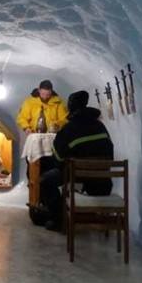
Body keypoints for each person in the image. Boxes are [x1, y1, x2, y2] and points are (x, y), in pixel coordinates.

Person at [38, 90, 114, 231]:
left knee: (46, 180)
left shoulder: (69, 129)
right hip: (103, 181)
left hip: (76, 174)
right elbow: (110, 152)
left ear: (71, 108)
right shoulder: (100, 126)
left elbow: (58, 158)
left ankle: (58, 220)